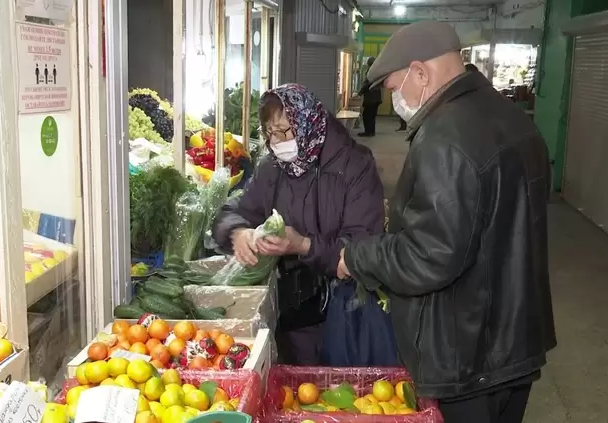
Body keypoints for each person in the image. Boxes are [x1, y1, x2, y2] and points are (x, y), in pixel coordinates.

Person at [336, 21, 555, 423]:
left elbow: (430, 255)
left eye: (393, 86)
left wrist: (359, 256)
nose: (394, 99)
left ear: (420, 73)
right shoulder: (513, 117)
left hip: (467, 354)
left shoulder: (445, 135)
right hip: (515, 342)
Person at [212, 83, 394, 366]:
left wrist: (303, 245)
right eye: (269, 133)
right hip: (290, 313)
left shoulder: (355, 166)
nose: (275, 142)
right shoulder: (272, 166)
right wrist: (237, 230)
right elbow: (236, 209)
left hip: (341, 312)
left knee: (338, 391)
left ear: (307, 120)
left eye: (284, 131)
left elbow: (362, 248)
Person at [357, 57, 381, 137]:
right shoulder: (377, 71)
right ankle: (371, 132)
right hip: (377, 98)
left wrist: (360, 93)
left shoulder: (371, 72)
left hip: (371, 98)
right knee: (372, 116)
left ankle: (368, 132)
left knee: (366, 116)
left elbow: (367, 84)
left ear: (368, 64)